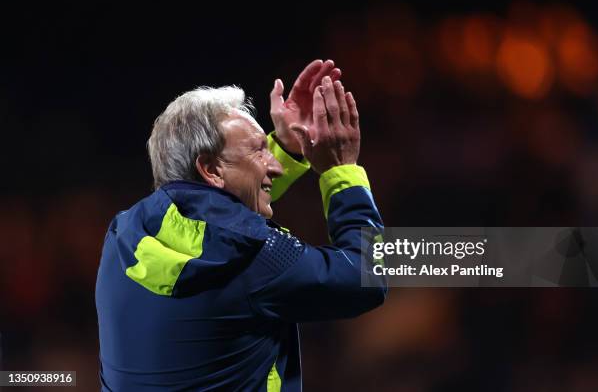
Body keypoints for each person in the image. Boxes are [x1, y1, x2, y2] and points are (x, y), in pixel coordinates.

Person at [95, 59, 386, 391]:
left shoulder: (122, 235)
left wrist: (288, 146)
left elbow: (214, 214)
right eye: (260, 151)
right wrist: (341, 171)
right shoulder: (255, 258)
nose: (275, 166)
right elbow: (368, 275)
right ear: (210, 169)